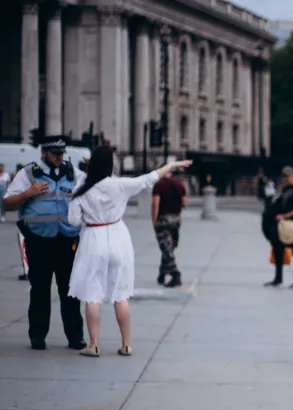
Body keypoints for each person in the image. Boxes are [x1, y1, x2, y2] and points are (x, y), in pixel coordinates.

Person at [67, 148, 191, 357]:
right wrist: (170, 166)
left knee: (92, 294)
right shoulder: (120, 185)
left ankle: (94, 344)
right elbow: (148, 178)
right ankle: (126, 344)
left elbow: (73, 221)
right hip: (117, 237)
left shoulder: (81, 188)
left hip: (93, 239)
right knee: (120, 294)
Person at [2, 137, 87, 350]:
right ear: (44, 154)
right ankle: (38, 336)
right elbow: (7, 204)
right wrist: (27, 194)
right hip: (38, 241)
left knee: (70, 290)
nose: (60, 157)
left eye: (61, 153)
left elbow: (93, 194)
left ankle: (75, 337)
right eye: (55, 154)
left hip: (67, 241)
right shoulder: (28, 174)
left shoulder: (74, 173)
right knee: (39, 289)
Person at [262, 166, 293, 289]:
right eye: (283, 176)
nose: (285, 179)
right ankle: (278, 278)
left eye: (287, 176)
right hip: (282, 226)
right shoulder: (284, 190)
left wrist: (285, 216)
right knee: (278, 250)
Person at [151, 167, 188, 287]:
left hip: (163, 219)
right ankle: (162, 273)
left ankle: (175, 273)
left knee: (166, 247)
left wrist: (154, 221)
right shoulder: (179, 185)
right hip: (176, 219)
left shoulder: (158, 185)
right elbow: (185, 204)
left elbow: (155, 204)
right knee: (168, 247)